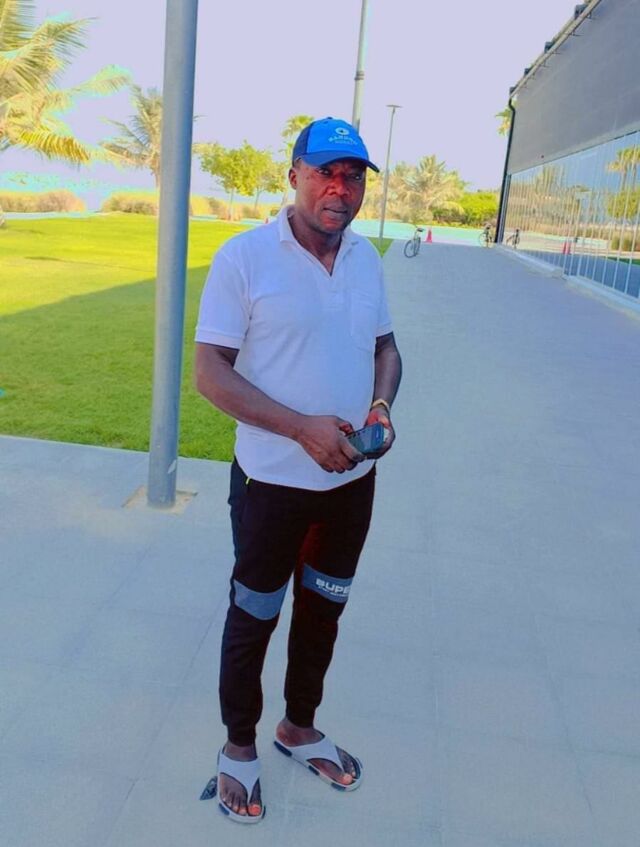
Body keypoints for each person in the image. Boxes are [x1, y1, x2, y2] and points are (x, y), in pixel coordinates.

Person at [194, 116, 402, 824]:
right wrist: (299, 428)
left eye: (353, 176)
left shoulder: (366, 259)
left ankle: (298, 726)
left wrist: (380, 408)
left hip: (350, 486)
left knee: (323, 612)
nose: (340, 189)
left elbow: (386, 348)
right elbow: (209, 373)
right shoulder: (245, 257)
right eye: (325, 173)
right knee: (254, 614)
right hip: (271, 486)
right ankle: (238, 746)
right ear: (294, 176)